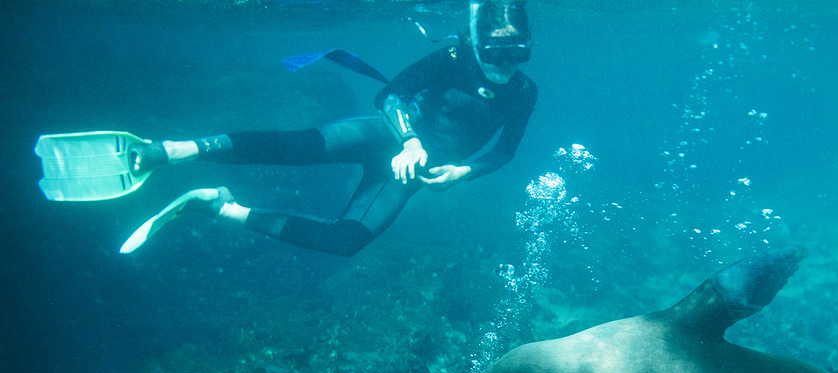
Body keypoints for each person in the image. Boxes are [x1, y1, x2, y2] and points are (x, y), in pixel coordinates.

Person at [130, 1, 537, 256]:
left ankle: (217, 206)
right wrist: (410, 141)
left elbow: (506, 151)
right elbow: (391, 96)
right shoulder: (452, 57)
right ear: (476, 42)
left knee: (345, 242)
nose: (506, 65)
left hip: (409, 175)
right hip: (385, 136)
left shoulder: (523, 92)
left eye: (518, 54)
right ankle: (172, 151)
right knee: (297, 147)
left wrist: (464, 171)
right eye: (496, 52)